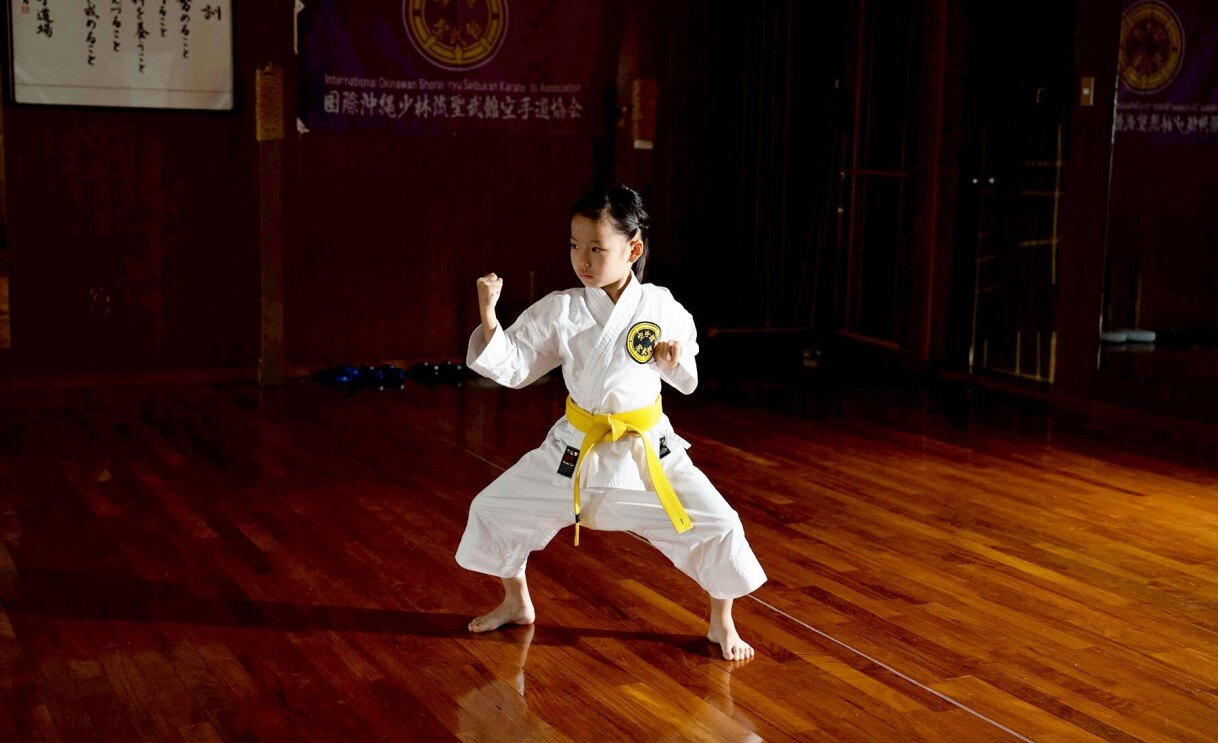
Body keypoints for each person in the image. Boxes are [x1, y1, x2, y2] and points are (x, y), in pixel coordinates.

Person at [456, 184, 767, 660]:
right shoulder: (563, 308)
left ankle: (721, 623)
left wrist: (670, 360)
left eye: (596, 248)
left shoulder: (662, 308)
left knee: (720, 523)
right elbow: (515, 365)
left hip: (646, 455)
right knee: (494, 509)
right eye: (575, 246)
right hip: (574, 452)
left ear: (633, 249)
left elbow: (688, 379)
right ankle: (516, 602)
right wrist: (489, 314)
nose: (583, 259)